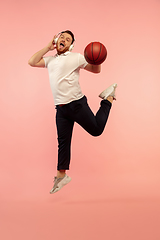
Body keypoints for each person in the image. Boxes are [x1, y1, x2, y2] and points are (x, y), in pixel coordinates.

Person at [28, 30, 117, 194]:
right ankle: (61, 176)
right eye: (61, 37)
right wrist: (48, 47)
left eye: (68, 39)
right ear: (56, 40)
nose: (64, 39)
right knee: (63, 142)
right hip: (61, 109)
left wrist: (97, 58)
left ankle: (108, 98)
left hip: (77, 105)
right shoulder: (50, 60)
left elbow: (95, 70)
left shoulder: (75, 57)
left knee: (97, 130)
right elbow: (32, 62)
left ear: (71, 45)